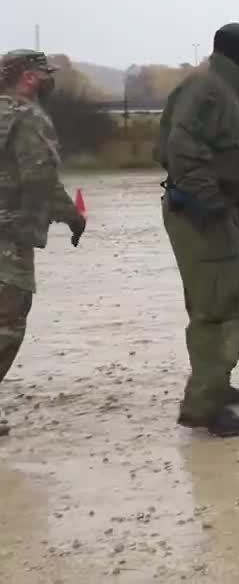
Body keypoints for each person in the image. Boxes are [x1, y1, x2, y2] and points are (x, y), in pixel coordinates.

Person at [154, 23, 239, 438]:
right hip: (201, 214)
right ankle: (203, 406)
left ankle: (216, 384)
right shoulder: (208, 91)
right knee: (218, 306)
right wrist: (210, 206)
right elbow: (181, 152)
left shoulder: (219, 90)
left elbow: (236, 159)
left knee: (222, 298)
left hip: (213, 211)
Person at [0, 50, 86, 437]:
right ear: (30, 78)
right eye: (45, 74)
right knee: (8, 320)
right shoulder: (26, 116)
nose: (50, 81)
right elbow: (39, 177)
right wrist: (70, 214)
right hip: (9, 234)